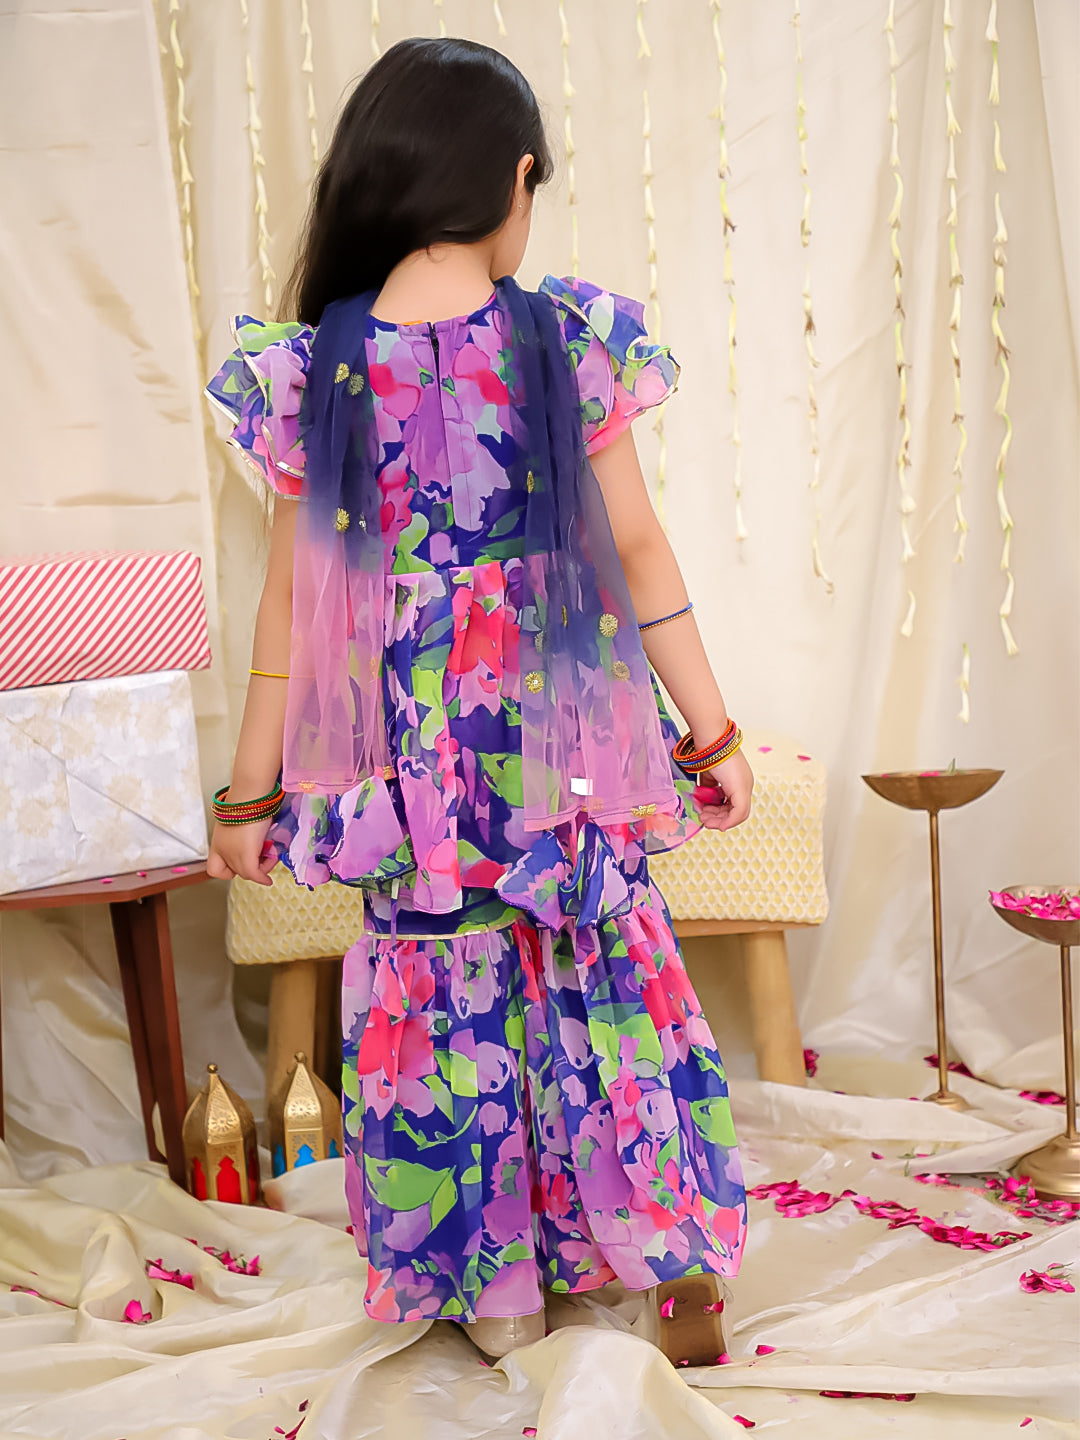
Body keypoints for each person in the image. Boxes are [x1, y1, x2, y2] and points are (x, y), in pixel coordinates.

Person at [205, 37, 753, 1365]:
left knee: (443, 995)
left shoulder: (318, 367)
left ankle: (498, 1294)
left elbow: (292, 614)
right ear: (512, 178)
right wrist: (712, 732)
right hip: (559, 744)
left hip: (416, 770)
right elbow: (640, 551)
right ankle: (654, 1245)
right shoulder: (562, 335)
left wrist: (249, 796)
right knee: (597, 967)